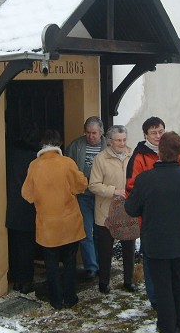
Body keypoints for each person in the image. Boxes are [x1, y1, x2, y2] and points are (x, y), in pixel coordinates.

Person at [125, 132, 180, 333]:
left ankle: (167, 326)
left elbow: (131, 208)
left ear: (160, 153)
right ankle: (179, 324)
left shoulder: (146, 179)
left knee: (163, 286)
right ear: (179, 152)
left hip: (156, 243)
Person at [126, 116, 180, 310]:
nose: (158, 136)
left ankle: (177, 292)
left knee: (177, 257)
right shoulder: (139, 157)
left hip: (175, 215)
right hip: (151, 219)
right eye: (153, 133)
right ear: (145, 135)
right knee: (152, 259)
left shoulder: (175, 152)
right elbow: (132, 187)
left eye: (161, 131)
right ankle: (156, 297)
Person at [21, 129, 88, 310]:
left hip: (47, 225)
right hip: (69, 223)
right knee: (69, 262)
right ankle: (70, 297)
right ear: (58, 144)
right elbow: (80, 185)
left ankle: (56, 300)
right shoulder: (67, 163)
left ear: (42, 145)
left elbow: (26, 194)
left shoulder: (34, 165)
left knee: (51, 264)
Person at [88, 125, 135, 294]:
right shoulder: (101, 159)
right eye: (118, 140)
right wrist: (114, 191)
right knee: (105, 249)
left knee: (129, 247)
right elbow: (93, 185)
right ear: (110, 141)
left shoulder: (132, 155)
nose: (122, 143)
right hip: (106, 211)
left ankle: (128, 280)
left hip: (128, 210)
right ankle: (104, 282)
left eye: (124, 140)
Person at [66, 116, 106, 279]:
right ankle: (91, 266)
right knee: (85, 231)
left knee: (100, 231)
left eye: (94, 133)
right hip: (84, 195)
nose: (91, 136)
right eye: (88, 133)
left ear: (101, 132)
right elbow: (68, 167)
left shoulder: (108, 146)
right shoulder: (76, 146)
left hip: (102, 195)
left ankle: (101, 263)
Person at [5, 131, 39, 294]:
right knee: (27, 246)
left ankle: (16, 278)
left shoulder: (10, 155)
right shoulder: (35, 159)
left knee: (15, 243)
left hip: (12, 204)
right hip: (29, 206)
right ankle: (26, 280)